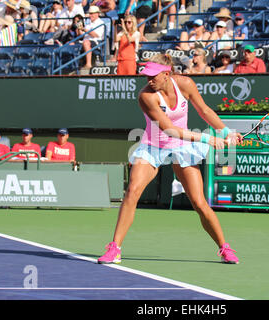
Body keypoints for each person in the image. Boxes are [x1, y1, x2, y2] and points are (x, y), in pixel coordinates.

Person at [97, 53, 242, 265]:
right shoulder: (146, 96)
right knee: (132, 192)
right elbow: (170, 130)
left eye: (153, 76)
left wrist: (226, 132)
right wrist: (208, 138)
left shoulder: (185, 84)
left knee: (199, 203)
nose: (149, 80)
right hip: (153, 146)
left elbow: (204, 110)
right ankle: (115, 248)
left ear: (167, 74)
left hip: (182, 147)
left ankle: (224, 248)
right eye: (147, 76)